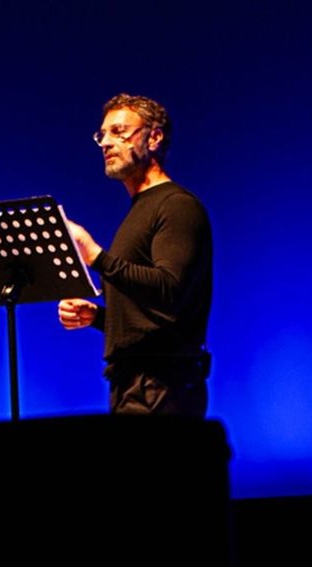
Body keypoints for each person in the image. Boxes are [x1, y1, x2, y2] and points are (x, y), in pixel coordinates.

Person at [58, 93, 213, 417]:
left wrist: (97, 257)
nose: (106, 143)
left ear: (154, 137)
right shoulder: (140, 208)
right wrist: (99, 317)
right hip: (134, 381)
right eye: (102, 135)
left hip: (161, 384)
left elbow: (170, 290)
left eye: (119, 131)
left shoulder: (176, 205)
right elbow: (152, 316)